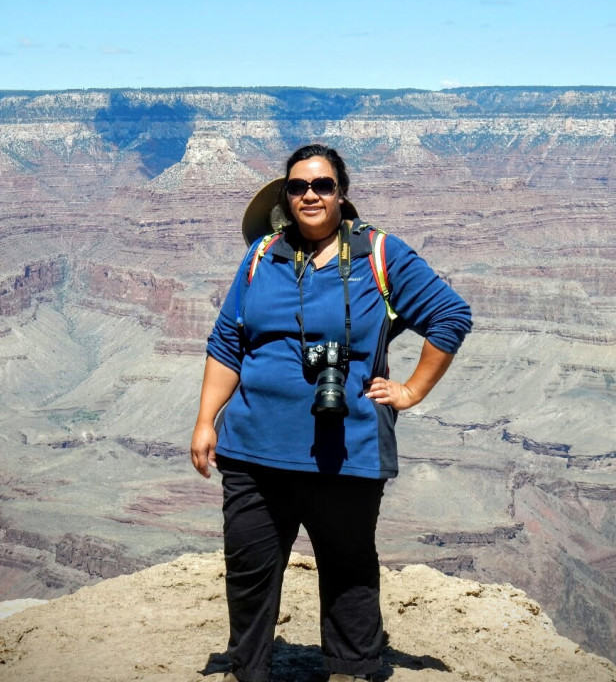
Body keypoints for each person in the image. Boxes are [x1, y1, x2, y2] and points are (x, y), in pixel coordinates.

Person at [191, 144, 471, 682]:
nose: (310, 195)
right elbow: (228, 341)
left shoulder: (379, 255)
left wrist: (411, 390)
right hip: (252, 448)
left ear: (341, 193)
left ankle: (350, 670)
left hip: (346, 452)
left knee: (348, 572)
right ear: (285, 196)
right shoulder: (260, 258)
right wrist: (207, 419)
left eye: (322, 185)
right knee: (249, 572)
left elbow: (450, 315)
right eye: (297, 187)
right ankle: (245, 671)